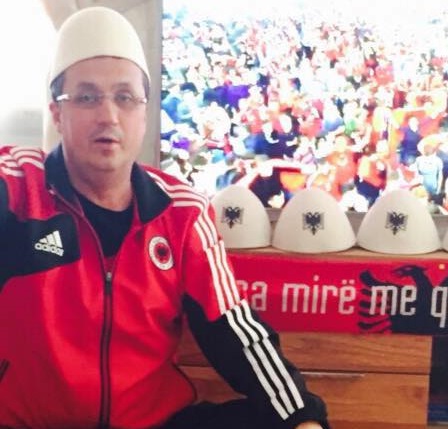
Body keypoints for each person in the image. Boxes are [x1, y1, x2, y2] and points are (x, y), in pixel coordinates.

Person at [0, 7, 328, 429]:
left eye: (124, 97)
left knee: (285, 418)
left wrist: (302, 417)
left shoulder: (182, 211)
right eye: (86, 97)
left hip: (153, 422)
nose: (108, 115)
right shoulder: (16, 188)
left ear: (144, 113)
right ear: (57, 113)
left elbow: (236, 333)